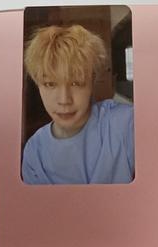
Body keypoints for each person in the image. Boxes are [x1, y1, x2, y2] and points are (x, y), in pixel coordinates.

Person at [21, 24, 135, 184]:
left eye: (76, 83)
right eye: (50, 84)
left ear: (92, 81)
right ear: (37, 84)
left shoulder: (125, 124)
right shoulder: (35, 151)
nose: (64, 100)